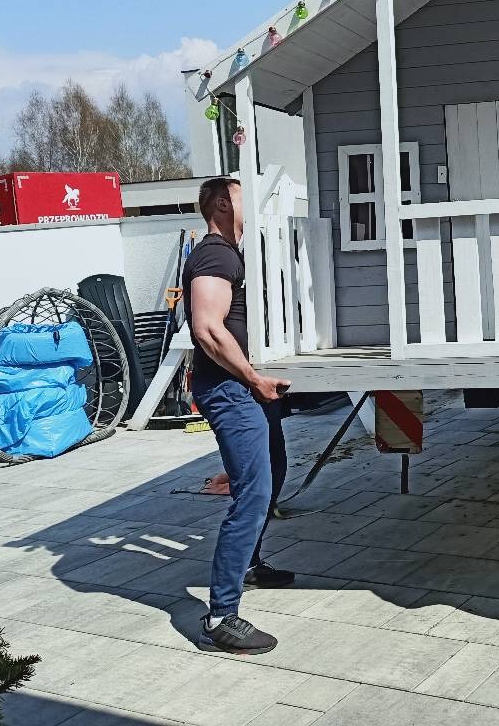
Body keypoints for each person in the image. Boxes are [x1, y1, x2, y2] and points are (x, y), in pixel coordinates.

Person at [184, 176, 294, 654]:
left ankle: (248, 563)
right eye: (244, 193)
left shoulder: (230, 253)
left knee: (275, 469)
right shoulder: (216, 254)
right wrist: (252, 378)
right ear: (224, 205)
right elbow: (207, 329)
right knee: (253, 493)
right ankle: (220, 617)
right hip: (231, 390)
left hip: (243, 387)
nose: (254, 199)